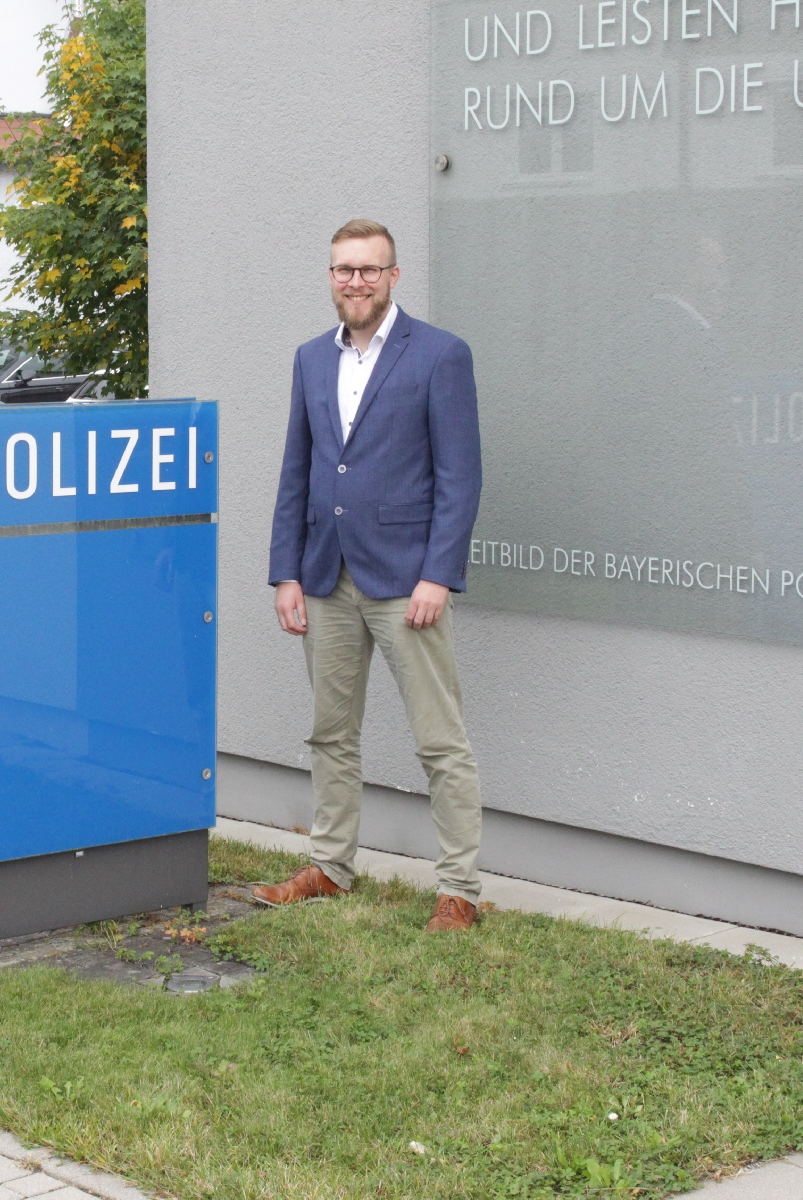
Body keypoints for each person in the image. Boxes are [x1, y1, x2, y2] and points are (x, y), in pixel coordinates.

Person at [261, 218, 487, 932]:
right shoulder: (309, 359)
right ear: (330, 277)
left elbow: (460, 476)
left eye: (369, 269)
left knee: (439, 740)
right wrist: (285, 573)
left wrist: (439, 575)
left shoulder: (440, 356)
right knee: (331, 731)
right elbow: (297, 469)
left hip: (406, 581)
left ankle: (460, 889)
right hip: (325, 574)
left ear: (394, 277)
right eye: (343, 269)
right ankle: (330, 866)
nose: (355, 281)